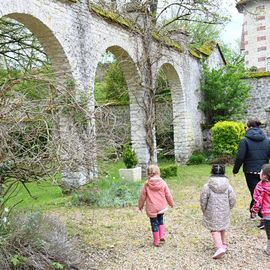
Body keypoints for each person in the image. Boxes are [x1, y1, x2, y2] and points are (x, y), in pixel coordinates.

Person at [233, 118, 270, 229]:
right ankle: (254, 210)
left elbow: (240, 157)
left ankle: (264, 219)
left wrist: (235, 170)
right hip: (265, 171)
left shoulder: (245, 140)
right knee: (262, 193)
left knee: (256, 193)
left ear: (249, 127)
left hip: (250, 171)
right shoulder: (267, 140)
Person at [200, 164, 236, 259]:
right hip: (224, 211)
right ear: (224, 172)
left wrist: (204, 210)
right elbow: (232, 199)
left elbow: (203, 199)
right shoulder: (228, 186)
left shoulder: (207, 186)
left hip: (211, 211)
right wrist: (229, 208)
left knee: (214, 229)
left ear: (212, 172)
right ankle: (223, 244)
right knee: (222, 226)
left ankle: (219, 248)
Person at [138, 164, 174, 247]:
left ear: (148, 173)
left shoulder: (146, 184)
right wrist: (171, 203)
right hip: (161, 206)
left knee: (154, 223)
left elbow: (142, 196)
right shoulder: (163, 182)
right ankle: (161, 236)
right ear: (158, 172)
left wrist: (140, 206)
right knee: (160, 220)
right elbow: (168, 194)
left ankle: (156, 241)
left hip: (152, 208)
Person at [251, 164, 270, 255]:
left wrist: (254, 211)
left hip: (267, 214)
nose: (259, 173)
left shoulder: (260, 186)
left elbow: (258, 201)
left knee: (269, 234)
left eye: (261, 171)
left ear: (265, 175)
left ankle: (269, 250)